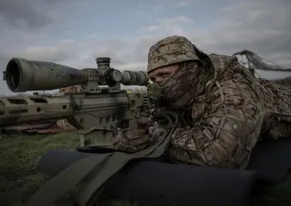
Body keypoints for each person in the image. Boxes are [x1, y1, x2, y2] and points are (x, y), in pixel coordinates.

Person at [112, 36, 291, 170]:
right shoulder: (168, 93)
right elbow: (140, 127)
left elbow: (220, 154)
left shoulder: (232, 86)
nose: (159, 82)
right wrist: (129, 138)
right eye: (154, 78)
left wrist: (156, 137)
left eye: (165, 75)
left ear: (190, 69)